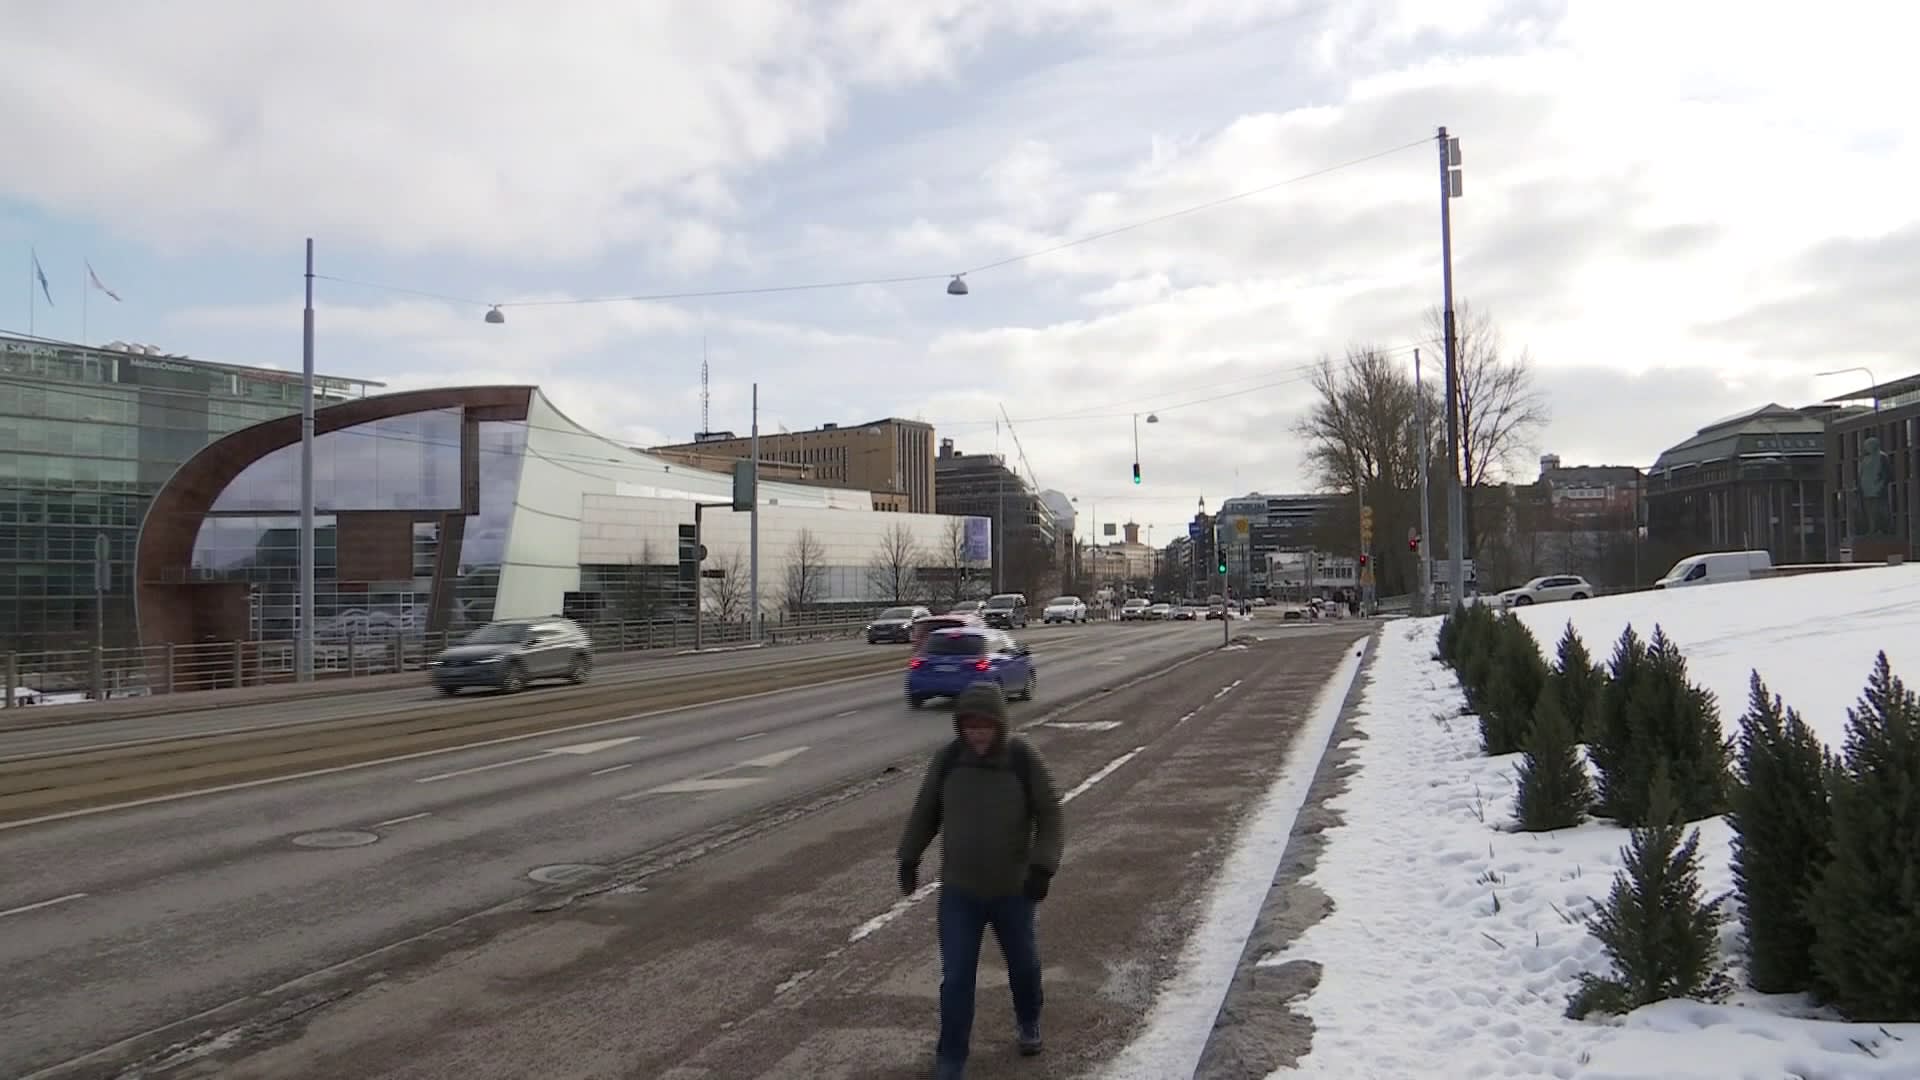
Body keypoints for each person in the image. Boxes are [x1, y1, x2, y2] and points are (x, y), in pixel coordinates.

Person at [897, 681, 1064, 1080]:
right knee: (956, 977)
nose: (978, 735)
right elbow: (926, 811)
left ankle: (1028, 1020)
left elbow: (1051, 814)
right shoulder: (949, 760)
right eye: (970, 727)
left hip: (1013, 890)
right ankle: (951, 1057)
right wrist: (909, 856)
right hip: (960, 893)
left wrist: (1043, 866)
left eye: (985, 726)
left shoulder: (1022, 758)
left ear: (999, 724)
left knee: (1023, 966)